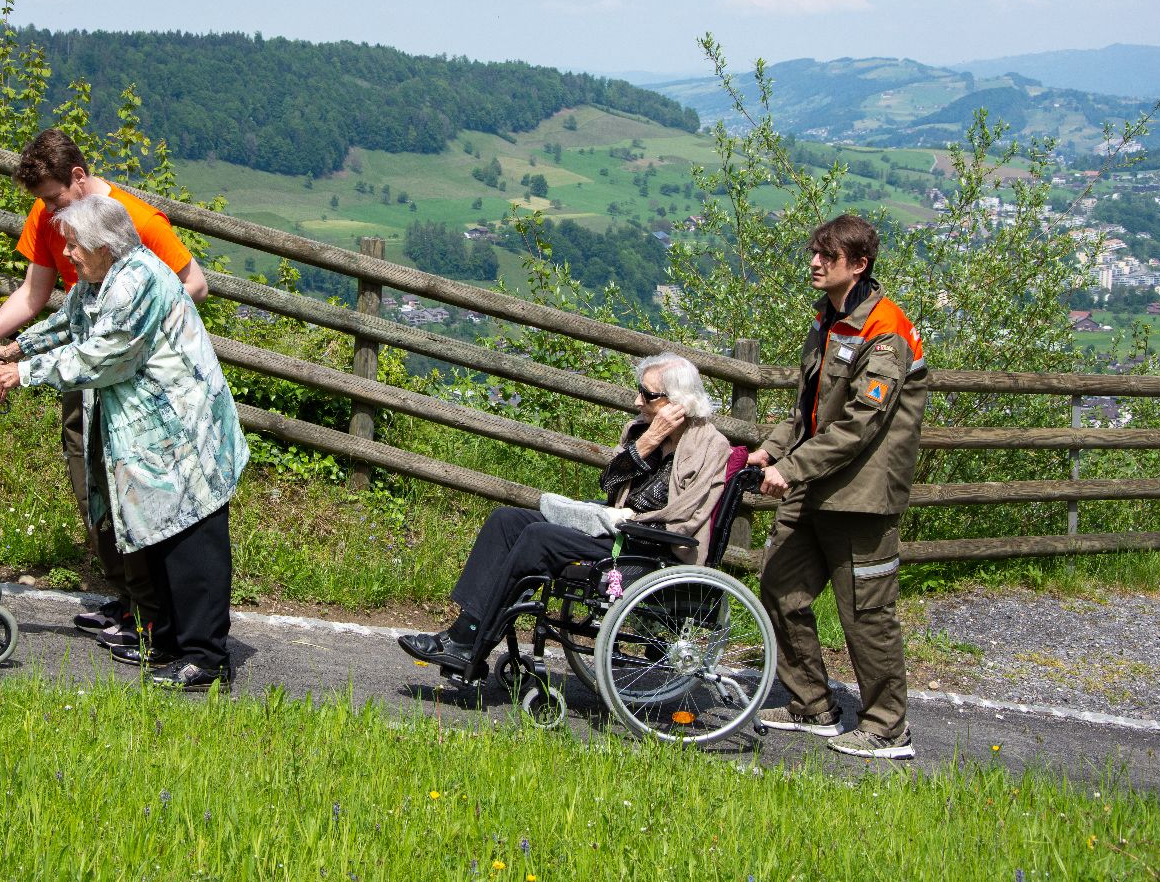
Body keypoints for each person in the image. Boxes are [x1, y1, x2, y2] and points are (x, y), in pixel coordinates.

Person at [0, 128, 208, 645]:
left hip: (133, 382)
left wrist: (135, 338)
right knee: (91, 487)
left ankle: (154, 614)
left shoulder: (138, 219)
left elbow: (192, 283)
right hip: (79, 367)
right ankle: (130, 600)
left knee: (132, 488)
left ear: (79, 178)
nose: (45, 209)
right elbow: (33, 295)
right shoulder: (48, 216)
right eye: (40, 200)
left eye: (51, 196)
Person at [0, 195, 248, 690]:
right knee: (157, 537)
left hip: (185, 433)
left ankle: (207, 658)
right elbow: (73, 322)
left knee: (191, 540)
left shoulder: (139, 280)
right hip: (153, 437)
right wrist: (19, 345)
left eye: (75, 245)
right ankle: (168, 640)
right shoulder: (99, 278)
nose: (69, 255)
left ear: (104, 245)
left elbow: (103, 355)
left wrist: (24, 372)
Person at [397, 352, 733, 674]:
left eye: (646, 394)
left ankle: (468, 643)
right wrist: (645, 445)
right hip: (614, 528)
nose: (636, 401)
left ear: (675, 400)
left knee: (539, 538)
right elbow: (609, 483)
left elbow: (686, 515)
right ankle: (463, 630)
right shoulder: (642, 433)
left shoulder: (708, 445)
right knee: (506, 520)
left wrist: (628, 520)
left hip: (647, 546)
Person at [749, 213, 927, 760]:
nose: (815, 262)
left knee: (867, 614)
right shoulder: (829, 317)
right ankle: (812, 706)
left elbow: (858, 423)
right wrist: (771, 449)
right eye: (814, 252)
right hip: (815, 487)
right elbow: (809, 409)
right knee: (780, 588)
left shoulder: (886, 330)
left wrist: (791, 468)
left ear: (860, 264)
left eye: (827, 255)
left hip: (861, 498)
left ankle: (887, 728)